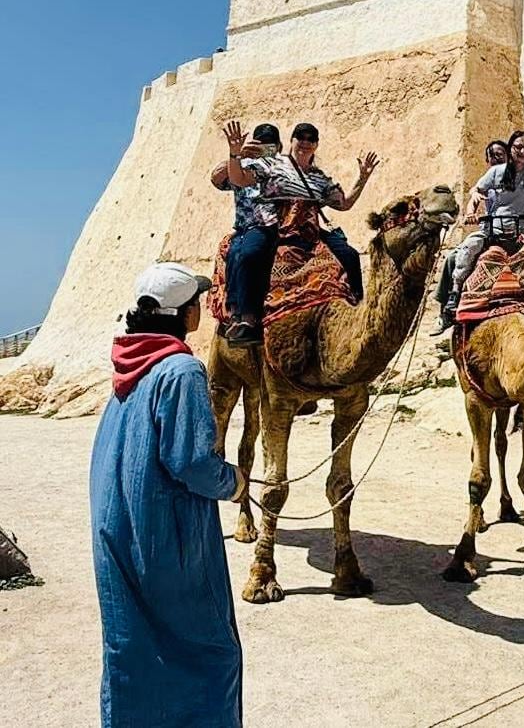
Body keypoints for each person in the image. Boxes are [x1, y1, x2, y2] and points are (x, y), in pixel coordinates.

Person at [91, 262, 247, 728]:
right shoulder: (180, 370)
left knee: (133, 653)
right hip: (163, 539)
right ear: (185, 313)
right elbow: (192, 463)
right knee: (213, 654)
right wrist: (233, 482)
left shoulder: (128, 366)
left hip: (117, 530)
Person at [218, 121, 379, 343]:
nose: (305, 143)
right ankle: (248, 318)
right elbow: (238, 179)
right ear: (291, 141)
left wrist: (362, 178)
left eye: (310, 139)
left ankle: (359, 311)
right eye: (300, 137)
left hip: (311, 231)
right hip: (279, 227)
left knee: (350, 255)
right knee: (250, 254)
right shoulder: (273, 165)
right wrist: (235, 154)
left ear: (316, 145)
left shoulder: (319, 177)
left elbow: (344, 204)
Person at [440, 130, 524, 328]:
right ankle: (454, 292)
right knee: (467, 248)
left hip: (522, 229)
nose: (522, 151)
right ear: (511, 149)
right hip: (491, 229)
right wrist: (472, 208)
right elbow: (477, 191)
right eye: (517, 147)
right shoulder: (497, 172)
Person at [212, 121, 282, 343]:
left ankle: (250, 317)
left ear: (278, 146)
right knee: (233, 255)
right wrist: (237, 154)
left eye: (270, 145)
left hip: (265, 225)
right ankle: (234, 314)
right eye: (262, 144)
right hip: (242, 227)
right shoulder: (242, 166)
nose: (266, 149)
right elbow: (216, 178)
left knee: (249, 253)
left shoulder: (281, 167)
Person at [430, 139, 509, 336]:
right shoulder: (486, 182)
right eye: (492, 156)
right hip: (488, 230)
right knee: (452, 259)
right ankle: (447, 310)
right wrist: (470, 212)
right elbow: (474, 198)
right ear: (487, 160)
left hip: (514, 230)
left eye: (500, 154)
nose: (496, 159)